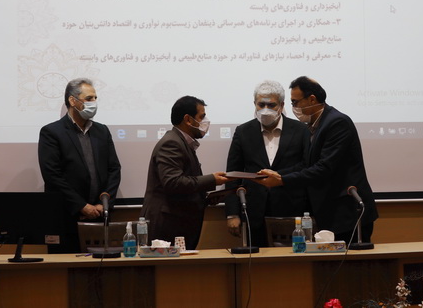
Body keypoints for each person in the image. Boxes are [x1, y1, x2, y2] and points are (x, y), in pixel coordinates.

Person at [256, 76, 378, 244]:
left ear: (312, 99)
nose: (293, 107)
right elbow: (306, 165)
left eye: (295, 102)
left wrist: (282, 180)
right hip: (330, 213)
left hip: (348, 213)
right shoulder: (315, 126)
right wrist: (277, 174)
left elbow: (323, 168)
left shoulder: (336, 122)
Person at [38, 78, 122, 252]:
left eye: (95, 98)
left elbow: (114, 169)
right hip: (66, 217)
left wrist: (104, 203)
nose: (94, 103)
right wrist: (81, 206)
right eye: (89, 98)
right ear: (72, 100)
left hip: (99, 217)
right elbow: (52, 175)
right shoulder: (52, 132)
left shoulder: (102, 130)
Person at [224, 80, 310, 247]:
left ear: (281, 105)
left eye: (271, 105)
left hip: (292, 211)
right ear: (254, 104)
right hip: (254, 212)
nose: (265, 109)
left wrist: (279, 177)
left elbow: (306, 166)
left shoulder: (301, 130)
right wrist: (232, 213)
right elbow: (233, 173)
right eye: (261, 104)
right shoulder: (243, 132)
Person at [140, 96, 229, 250]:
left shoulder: (183, 142)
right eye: (202, 116)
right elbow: (173, 182)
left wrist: (206, 198)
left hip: (179, 223)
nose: (206, 121)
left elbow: (184, 186)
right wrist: (212, 180)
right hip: (168, 226)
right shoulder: (172, 143)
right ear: (188, 119)